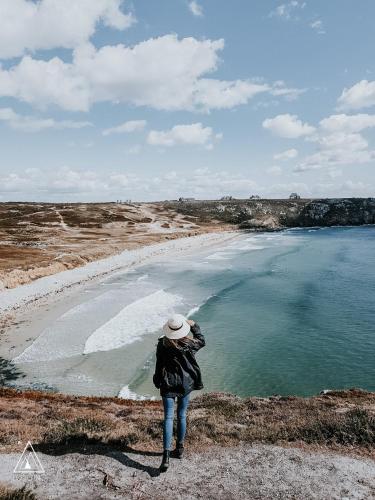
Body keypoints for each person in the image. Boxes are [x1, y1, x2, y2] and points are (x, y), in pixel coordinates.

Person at [152, 313, 205, 472]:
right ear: (183, 329)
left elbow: (159, 364)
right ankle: (179, 449)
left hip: (168, 384)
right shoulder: (190, 343)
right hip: (185, 384)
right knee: (181, 415)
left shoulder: (162, 344)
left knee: (168, 417)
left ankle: (166, 457)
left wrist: (157, 380)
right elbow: (202, 340)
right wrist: (194, 325)